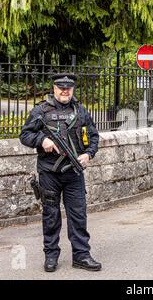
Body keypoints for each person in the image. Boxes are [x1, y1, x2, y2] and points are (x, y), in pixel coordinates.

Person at [19, 73, 101, 272]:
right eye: (61, 88)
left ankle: (81, 255)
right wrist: (42, 141)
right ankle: (51, 255)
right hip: (49, 173)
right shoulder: (41, 110)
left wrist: (88, 155)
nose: (65, 91)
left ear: (72, 89)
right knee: (51, 215)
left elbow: (93, 136)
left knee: (78, 215)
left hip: (74, 173)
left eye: (68, 88)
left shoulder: (80, 111)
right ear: (54, 88)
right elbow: (25, 135)